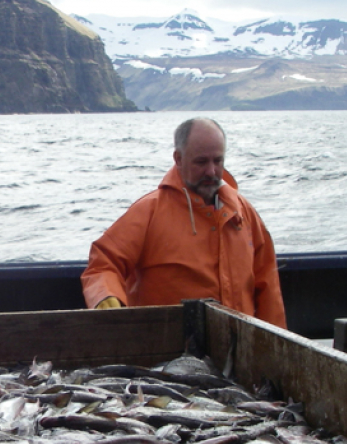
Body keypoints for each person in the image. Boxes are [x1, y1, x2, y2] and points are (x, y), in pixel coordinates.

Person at [81, 117, 286, 328]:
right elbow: (103, 264)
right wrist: (106, 297)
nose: (211, 171)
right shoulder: (149, 211)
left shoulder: (244, 212)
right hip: (167, 354)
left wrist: (277, 349)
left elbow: (268, 284)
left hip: (237, 350)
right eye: (201, 162)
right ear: (178, 159)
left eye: (218, 161)